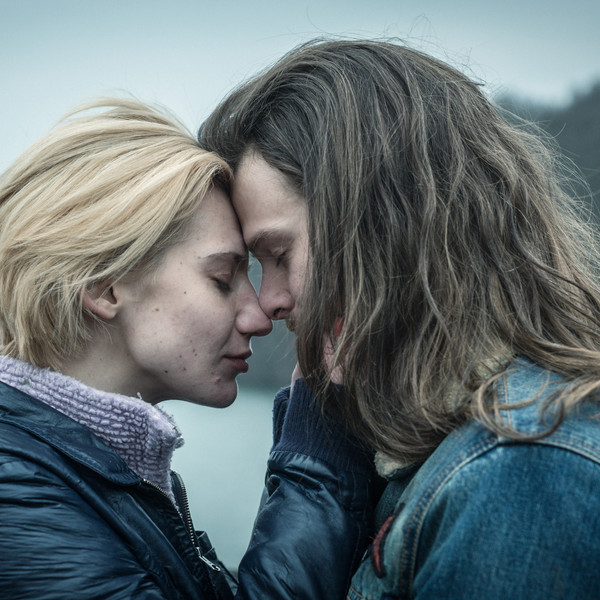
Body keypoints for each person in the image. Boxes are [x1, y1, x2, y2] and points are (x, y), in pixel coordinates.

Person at [199, 39, 600, 598]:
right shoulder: (433, 445)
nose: (269, 304)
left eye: (280, 256)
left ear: (384, 225)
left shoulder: (521, 471)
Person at [0, 98, 375, 599]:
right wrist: (319, 448)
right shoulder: (17, 488)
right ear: (105, 287)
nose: (260, 317)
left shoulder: (77, 467)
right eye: (222, 279)